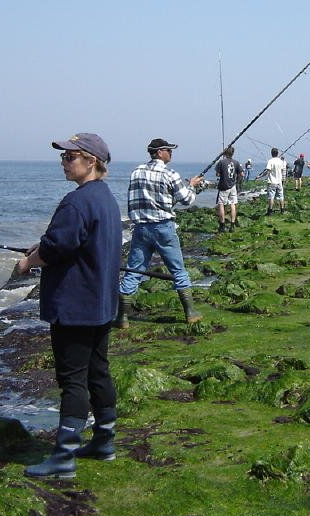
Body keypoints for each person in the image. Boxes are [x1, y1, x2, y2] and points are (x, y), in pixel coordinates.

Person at [16, 133, 122, 479]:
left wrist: (28, 262)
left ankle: (63, 457)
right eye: (63, 157)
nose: (64, 163)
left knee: (73, 380)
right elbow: (73, 242)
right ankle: (104, 442)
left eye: (69, 157)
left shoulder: (76, 203)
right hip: (102, 303)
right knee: (98, 371)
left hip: (76, 306)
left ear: (91, 161)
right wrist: (43, 248)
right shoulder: (105, 199)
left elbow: (56, 248)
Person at [117, 138, 204, 328]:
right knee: (178, 271)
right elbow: (187, 200)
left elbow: (137, 201)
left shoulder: (136, 172)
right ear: (159, 153)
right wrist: (193, 185)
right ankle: (191, 313)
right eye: (168, 150)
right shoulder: (170, 174)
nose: (171, 153)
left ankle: (122, 318)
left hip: (140, 228)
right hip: (163, 228)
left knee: (134, 270)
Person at [214, 146, 243, 232]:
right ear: (233, 153)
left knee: (221, 204)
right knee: (233, 204)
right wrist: (237, 181)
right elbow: (242, 174)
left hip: (223, 186)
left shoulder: (221, 162)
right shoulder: (236, 162)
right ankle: (232, 225)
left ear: (225, 153)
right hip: (233, 186)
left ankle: (222, 225)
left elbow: (217, 174)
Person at [263, 147, 286, 214]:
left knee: (271, 197)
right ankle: (282, 210)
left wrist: (260, 176)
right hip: (279, 181)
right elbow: (282, 170)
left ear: (271, 153)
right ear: (277, 153)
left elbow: (268, 171)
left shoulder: (270, 161)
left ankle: (270, 211)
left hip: (272, 182)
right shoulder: (280, 161)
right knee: (281, 196)